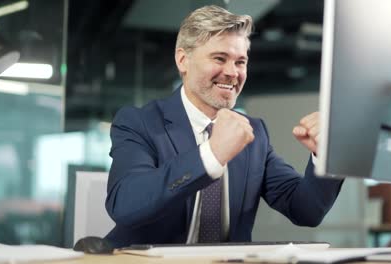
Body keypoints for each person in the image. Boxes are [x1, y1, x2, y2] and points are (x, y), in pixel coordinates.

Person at [105, 5, 343, 247]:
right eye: (219, 58)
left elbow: (306, 210)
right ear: (183, 60)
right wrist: (211, 155)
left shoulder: (253, 133)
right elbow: (125, 204)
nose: (232, 72)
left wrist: (322, 154)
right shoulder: (140, 122)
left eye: (241, 62)